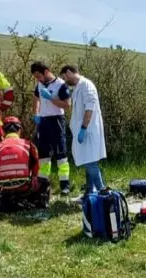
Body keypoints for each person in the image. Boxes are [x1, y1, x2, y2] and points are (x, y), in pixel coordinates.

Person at [59, 65, 107, 195]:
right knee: (87, 162)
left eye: (65, 78)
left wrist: (84, 128)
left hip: (88, 132)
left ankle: (103, 192)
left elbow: (89, 108)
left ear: (69, 72)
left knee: (90, 163)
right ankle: (90, 192)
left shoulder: (86, 85)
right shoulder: (78, 88)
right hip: (83, 131)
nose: (65, 81)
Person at [0, 116, 50, 211]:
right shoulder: (28, 144)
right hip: (24, 187)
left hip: (4, 189)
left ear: (3, 131)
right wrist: (33, 177)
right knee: (44, 180)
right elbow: (36, 165)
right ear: (19, 130)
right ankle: (40, 203)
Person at [31, 61, 72, 195]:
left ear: (46, 71)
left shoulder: (61, 85)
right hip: (43, 121)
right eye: (35, 77)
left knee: (61, 154)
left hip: (57, 121)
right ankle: (43, 184)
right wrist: (36, 113)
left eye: (38, 76)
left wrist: (52, 99)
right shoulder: (39, 84)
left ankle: (65, 185)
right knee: (43, 155)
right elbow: (36, 97)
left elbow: (67, 105)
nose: (37, 79)